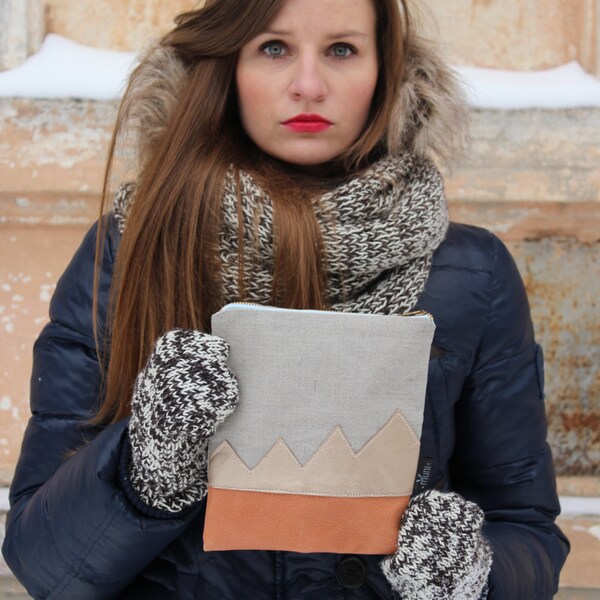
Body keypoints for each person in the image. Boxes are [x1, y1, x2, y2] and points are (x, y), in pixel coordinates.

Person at [2, 0, 569, 598]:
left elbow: (525, 529)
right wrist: (144, 468)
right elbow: (41, 563)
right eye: (274, 48)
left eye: (342, 50)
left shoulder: (471, 274)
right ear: (227, 66)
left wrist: (469, 577)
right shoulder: (129, 249)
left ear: (388, 70)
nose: (308, 85)